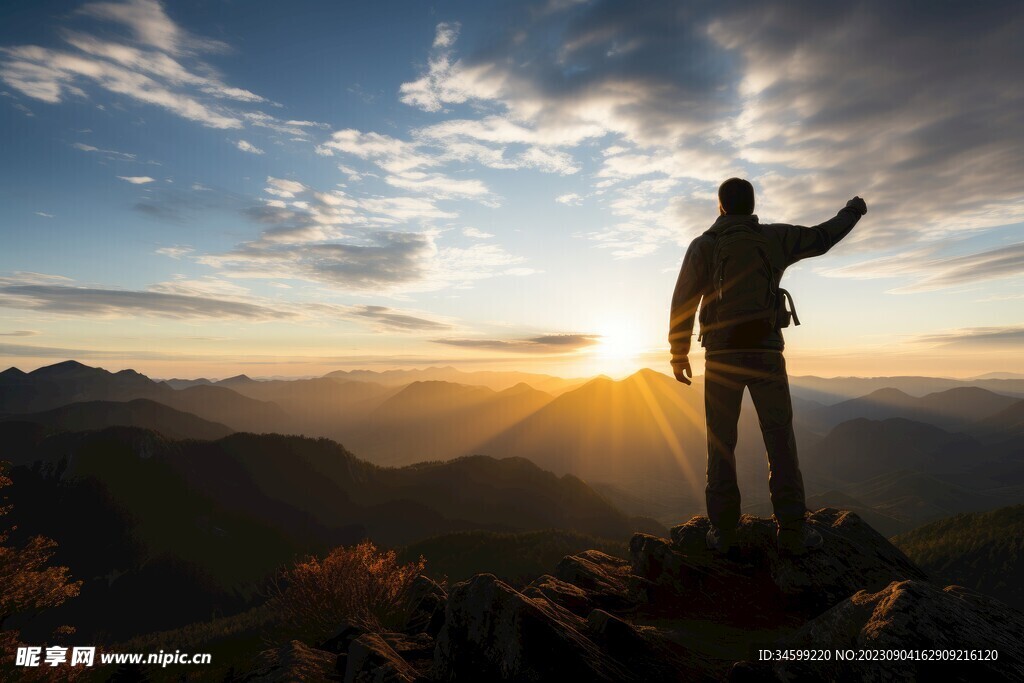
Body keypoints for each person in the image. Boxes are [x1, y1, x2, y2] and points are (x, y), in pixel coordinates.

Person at [668, 178, 866, 555]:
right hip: (766, 354)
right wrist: (852, 210)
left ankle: (723, 533)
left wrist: (679, 353)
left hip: (722, 358)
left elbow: (684, 302)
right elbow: (824, 237)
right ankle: (792, 531)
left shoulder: (704, 245)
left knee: (721, 442)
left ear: (721, 206)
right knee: (780, 440)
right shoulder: (775, 239)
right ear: (753, 205)